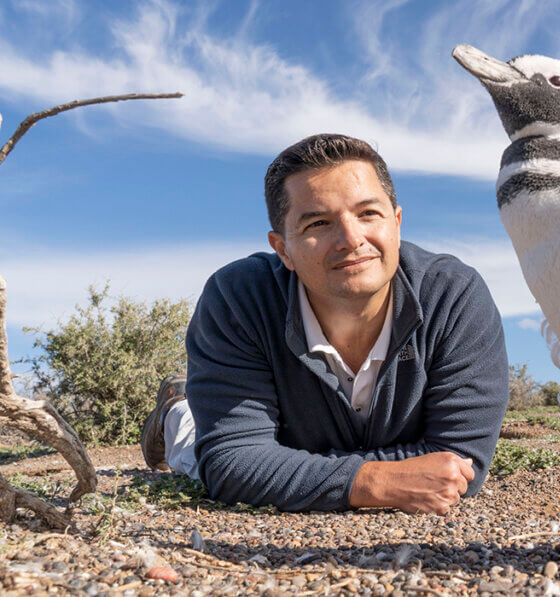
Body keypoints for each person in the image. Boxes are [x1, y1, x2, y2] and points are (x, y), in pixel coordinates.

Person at [140, 134, 509, 515]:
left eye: (368, 214)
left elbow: (459, 463)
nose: (351, 239)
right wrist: (373, 481)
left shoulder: (454, 296)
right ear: (283, 249)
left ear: (396, 223)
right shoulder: (238, 298)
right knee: (193, 454)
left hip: (285, 449)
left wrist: (284, 469)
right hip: (263, 437)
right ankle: (176, 415)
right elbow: (232, 462)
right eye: (318, 222)